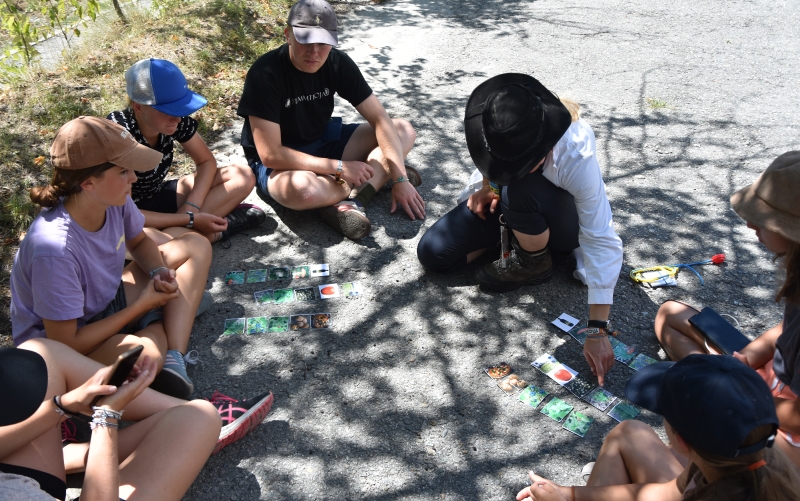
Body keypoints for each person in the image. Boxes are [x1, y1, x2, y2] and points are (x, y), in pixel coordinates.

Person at [417, 73, 623, 386]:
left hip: (561, 223)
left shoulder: (574, 153)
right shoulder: (502, 120)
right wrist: (489, 185)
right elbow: (488, 157)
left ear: (545, 146)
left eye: (521, 164)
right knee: (435, 253)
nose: (508, 168)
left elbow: (600, 236)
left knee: (519, 188)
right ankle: (515, 238)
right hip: (514, 207)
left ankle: (534, 262)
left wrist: (597, 330)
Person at [11, 116, 210, 399]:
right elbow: (67, 342)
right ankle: (159, 317)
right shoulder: (54, 252)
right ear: (88, 182)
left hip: (105, 300)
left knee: (195, 245)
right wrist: (141, 305)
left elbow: (139, 241)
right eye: (123, 171)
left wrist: (157, 273)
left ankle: (174, 354)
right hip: (63, 346)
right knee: (147, 356)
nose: (134, 178)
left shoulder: (113, 198)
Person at [0, 338, 273, 501]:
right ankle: (205, 431)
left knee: (37, 354)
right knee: (200, 418)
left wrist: (64, 405)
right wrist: (106, 415)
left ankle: (69, 455)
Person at [515, 354, 800, 501]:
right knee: (629, 431)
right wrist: (568, 495)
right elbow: (665, 498)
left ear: (681, 442)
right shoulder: (746, 450)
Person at [654, 151, 800, 469]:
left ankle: (681, 465)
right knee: (670, 314)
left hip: (787, 423)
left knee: (711, 448)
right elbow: (785, 330)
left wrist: (744, 398)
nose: (749, 224)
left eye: (763, 219)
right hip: (769, 382)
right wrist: (744, 360)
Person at [237, 0, 425, 241]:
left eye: (323, 42)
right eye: (306, 41)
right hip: (281, 163)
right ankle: (375, 177)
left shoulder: (337, 62)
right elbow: (271, 155)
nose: (314, 52)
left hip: (322, 141)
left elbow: (380, 119)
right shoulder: (265, 74)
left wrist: (400, 178)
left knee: (402, 130)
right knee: (302, 190)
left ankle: (354, 199)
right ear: (288, 35)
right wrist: (339, 168)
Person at [108, 58, 267, 245]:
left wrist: (191, 207)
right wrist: (188, 219)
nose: (177, 118)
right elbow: (123, 212)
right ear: (138, 106)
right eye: (168, 110)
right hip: (127, 214)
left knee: (241, 176)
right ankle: (213, 232)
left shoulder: (174, 120)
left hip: (156, 195)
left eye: (180, 108)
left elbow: (206, 162)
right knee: (141, 243)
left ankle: (183, 237)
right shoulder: (119, 134)